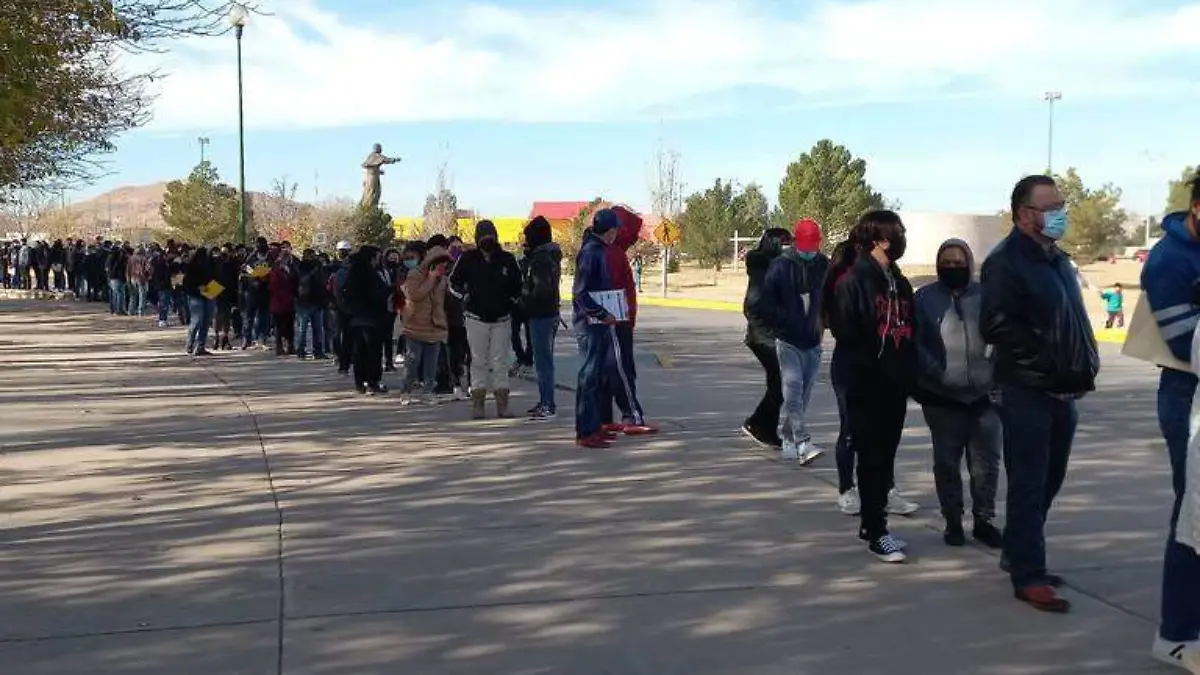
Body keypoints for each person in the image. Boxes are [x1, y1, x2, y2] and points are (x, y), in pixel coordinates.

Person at [981, 175, 1100, 612]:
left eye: (1061, 205)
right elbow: (996, 324)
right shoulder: (1006, 262)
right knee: (1029, 484)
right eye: (1050, 207)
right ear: (1023, 214)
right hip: (1027, 389)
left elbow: (1071, 320)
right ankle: (1028, 575)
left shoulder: (1057, 260)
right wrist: (1048, 361)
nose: (1059, 214)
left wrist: (1082, 364)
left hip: (1062, 390)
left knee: (1051, 479)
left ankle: (1019, 551)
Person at [827, 210, 917, 563]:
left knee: (886, 455)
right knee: (871, 457)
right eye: (899, 232)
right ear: (880, 239)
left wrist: (907, 372)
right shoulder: (855, 281)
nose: (903, 238)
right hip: (865, 383)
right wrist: (872, 372)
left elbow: (911, 330)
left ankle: (875, 523)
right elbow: (847, 333)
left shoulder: (898, 281)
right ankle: (876, 530)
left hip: (895, 383)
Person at [1141, 172, 1200, 671]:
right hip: (1187, 396)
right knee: (1193, 514)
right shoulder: (1169, 259)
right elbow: (1184, 341)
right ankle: (1177, 633)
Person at [913, 239, 1003, 549]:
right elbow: (915, 344)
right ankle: (952, 520)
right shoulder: (924, 298)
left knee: (985, 463)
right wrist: (935, 375)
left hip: (984, 396)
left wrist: (994, 373)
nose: (953, 267)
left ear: (970, 264)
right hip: (942, 398)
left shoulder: (986, 296)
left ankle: (984, 520)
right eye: (947, 263)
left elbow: (1002, 337)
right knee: (946, 463)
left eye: (959, 262)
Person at [760, 219, 829, 464]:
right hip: (788, 339)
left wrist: (825, 322)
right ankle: (803, 442)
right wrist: (785, 321)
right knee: (793, 390)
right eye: (805, 245)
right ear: (796, 242)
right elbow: (765, 303)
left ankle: (788, 437)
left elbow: (830, 298)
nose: (810, 251)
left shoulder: (824, 265)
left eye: (814, 246)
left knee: (804, 395)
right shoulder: (780, 266)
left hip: (813, 341)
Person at [449, 220, 522, 419]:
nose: (487, 240)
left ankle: (502, 405)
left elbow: (518, 285)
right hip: (475, 317)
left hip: (502, 318)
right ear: (477, 238)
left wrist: (512, 301)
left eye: (491, 236)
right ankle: (478, 404)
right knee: (478, 361)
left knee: (500, 362)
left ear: (496, 237)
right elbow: (453, 282)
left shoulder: (507, 259)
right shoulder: (467, 258)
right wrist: (464, 296)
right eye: (483, 236)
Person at [599, 205, 655, 435]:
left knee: (605, 371)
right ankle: (632, 415)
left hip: (609, 319)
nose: (635, 239)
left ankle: (604, 417)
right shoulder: (613, 253)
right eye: (632, 234)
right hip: (616, 320)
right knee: (622, 369)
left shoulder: (605, 250)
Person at [573, 210, 622, 448]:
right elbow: (580, 293)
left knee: (597, 376)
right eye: (615, 230)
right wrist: (602, 313)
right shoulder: (591, 252)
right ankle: (585, 431)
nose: (616, 234)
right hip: (590, 323)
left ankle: (595, 425)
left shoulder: (598, 250)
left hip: (599, 322)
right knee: (589, 376)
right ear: (610, 231)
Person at [741, 227, 793, 448]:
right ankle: (758, 424)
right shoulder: (762, 269)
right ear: (773, 244)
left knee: (779, 384)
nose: (789, 248)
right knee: (781, 383)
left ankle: (764, 428)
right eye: (785, 243)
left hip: (777, 337)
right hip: (763, 338)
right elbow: (752, 307)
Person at [520, 216, 563, 421]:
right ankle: (545, 400)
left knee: (543, 362)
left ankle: (548, 403)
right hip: (548, 312)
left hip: (542, 314)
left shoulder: (542, 259)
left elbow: (542, 288)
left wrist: (525, 298)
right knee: (543, 360)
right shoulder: (549, 256)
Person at [401, 245, 452, 404]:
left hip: (435, 325)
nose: (442, 267)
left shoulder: (443, 280)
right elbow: (414, 295)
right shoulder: (415, 274)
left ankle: (427, 392)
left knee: (432, 363)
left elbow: (442, 302)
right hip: (415, 324)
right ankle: (406, 390)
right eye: (440, 264)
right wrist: (430, 279)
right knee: (413, 360)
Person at [341, 246, 391, 395]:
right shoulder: (371, 274)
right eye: (377, 258)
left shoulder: (352, 272)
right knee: (373, 352)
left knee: (359, 352)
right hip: (372, 318)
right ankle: (372, 381)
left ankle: (360, 382)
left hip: (354, 318)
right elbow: (379, 294)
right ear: (371, 258)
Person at [181, 247, 215, 356]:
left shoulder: (210, 266)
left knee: (206, 321)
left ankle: (201, 346)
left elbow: (216, 277)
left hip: (209, 294)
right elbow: (186, 284)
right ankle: (190, 343)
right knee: (197, 320)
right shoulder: (191, 267)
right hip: (195, 296)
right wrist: (197, 288)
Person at [294, 248, 328, 360]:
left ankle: (318, 351)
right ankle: (301, 351)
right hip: (304, 302)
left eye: (313, 256)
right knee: (302, 329)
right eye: (310, 256)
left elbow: (323, 281)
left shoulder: (319, 266)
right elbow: (301, 281)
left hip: (317, 301)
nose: (312, 258)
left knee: (318, 329)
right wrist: (312, 272)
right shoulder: (301, 266)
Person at [241, 237, 273, 350]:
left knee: (263, 317)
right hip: (252, 291)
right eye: (259, 244)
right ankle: (246, 339)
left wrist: (267, 275)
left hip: (265, 291)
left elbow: (274, 269)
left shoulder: (270, 257)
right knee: (249, 317)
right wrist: (253, 274)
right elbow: (244, 268)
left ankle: (261, 339)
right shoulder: (252, 257)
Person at [268, 248, 297, 356]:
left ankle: (290, 346)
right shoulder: (275, 271)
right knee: (279, 327)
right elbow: (274, 287)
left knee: (290, 326)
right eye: (285, 257)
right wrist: (287, 297)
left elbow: (294, 282)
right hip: (279, 303)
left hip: (289, 303)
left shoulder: (290, 269)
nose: (287, 259)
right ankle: (279, 347)